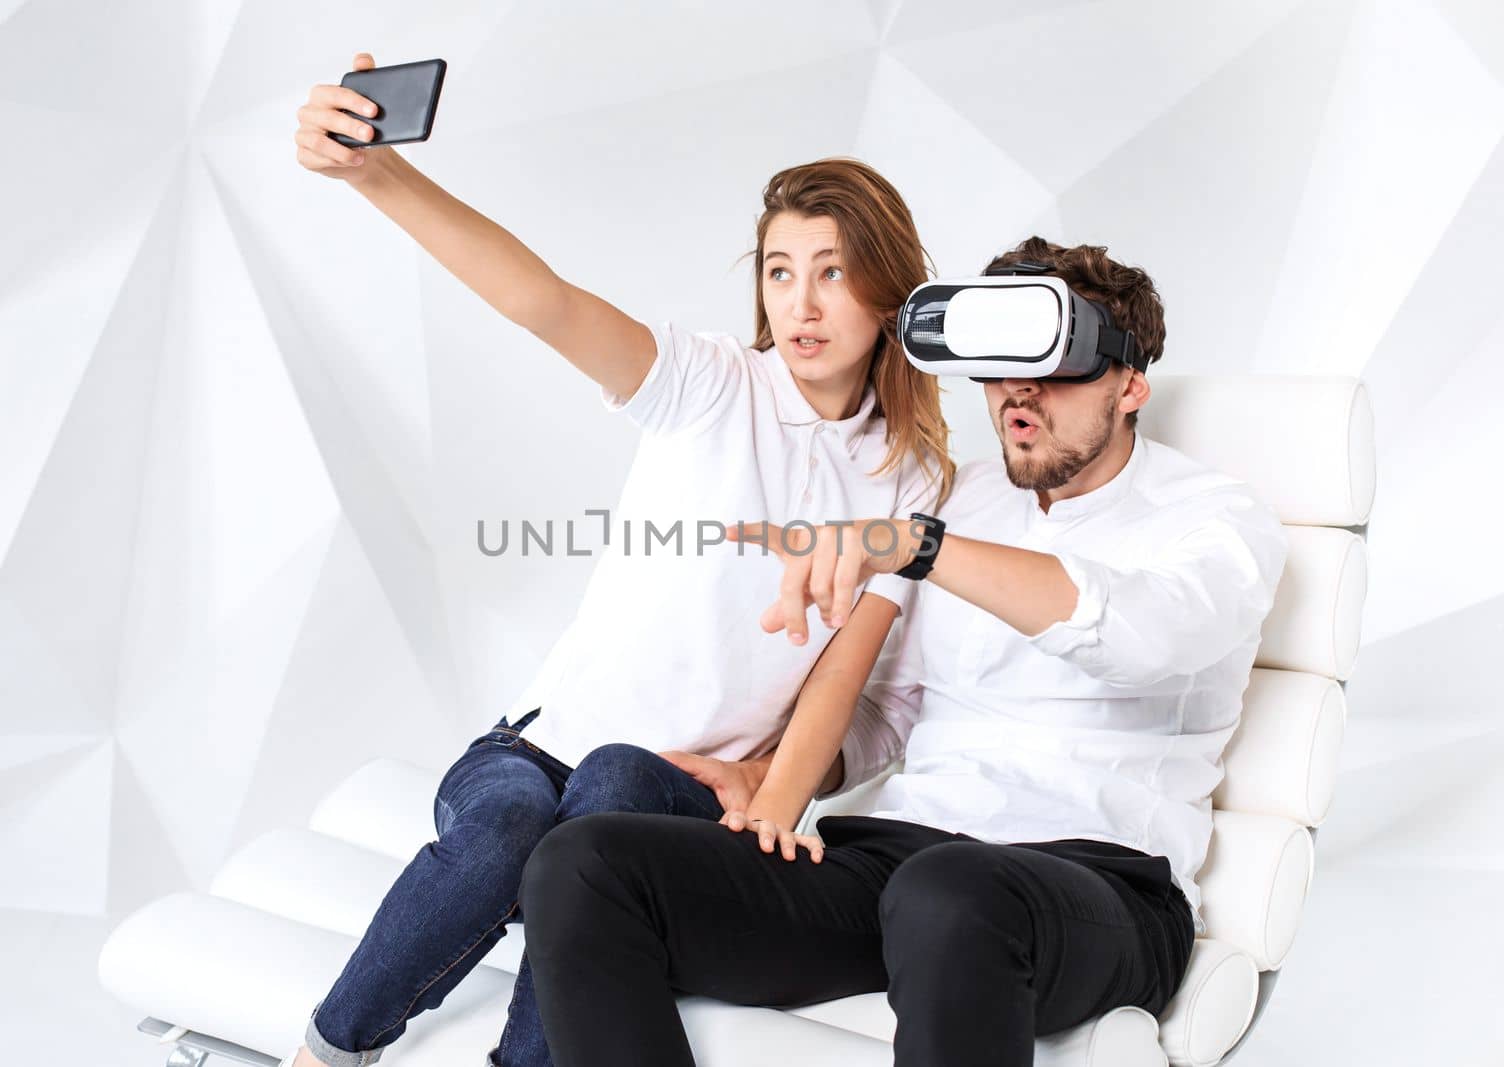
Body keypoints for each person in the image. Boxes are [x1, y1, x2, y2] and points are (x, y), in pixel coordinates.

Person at [286, 53, 953, 1067]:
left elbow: (846, 677)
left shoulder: (911, 483)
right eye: (780, 271)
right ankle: (327, 1050)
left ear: (887, 290)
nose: (801, 302)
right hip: (527, 751)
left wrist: (768, 785)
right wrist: (377, 174)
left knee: (608, 790)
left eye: (832, 270)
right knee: (512, 824)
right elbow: (539, 301)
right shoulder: (711, 385)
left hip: (673, 793)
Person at [519, 236, 1291, 1067]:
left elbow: (1143, 636)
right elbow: (886, 713)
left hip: (1101, 881)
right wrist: (777, 774)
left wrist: (920, 546)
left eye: (1057, 363)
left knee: (950, 891)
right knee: (583, 861)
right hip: (900, 858)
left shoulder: (1216, 521)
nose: (1020, 390)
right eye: (1001, 363)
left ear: (1132, 381)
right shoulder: (960, 497)